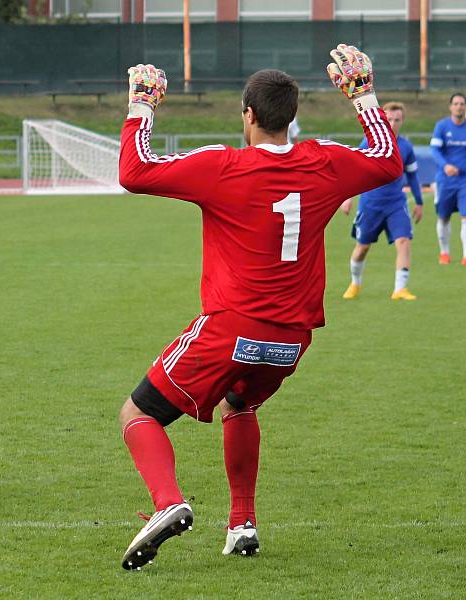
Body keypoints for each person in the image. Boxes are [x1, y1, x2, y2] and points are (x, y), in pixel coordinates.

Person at [116, 45, 402, 570]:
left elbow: (135, 172)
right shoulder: (325, 162)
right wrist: (363, 94)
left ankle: (168, 503)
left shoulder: (224, 166)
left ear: (247, 114)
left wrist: (143, 105)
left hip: (231, 329)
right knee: (239, 406)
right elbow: (387, 159)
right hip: (291, 338)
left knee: (138, 413)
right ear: (290, 117)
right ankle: (242, 524)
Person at [340, 101, 423, 300]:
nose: (393, 123)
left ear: (402, 121)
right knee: (362, 247)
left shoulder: (406, 147)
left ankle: (400, 289)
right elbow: (354, 172)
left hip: (396, 204)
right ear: (383, 119)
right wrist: (347, 197)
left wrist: (419, 202)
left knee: (403, 241)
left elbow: (412, 176)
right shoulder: (369, 143)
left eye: (397, 120)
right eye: (390, 119)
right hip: (371, 204)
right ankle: (355, 283)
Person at [431, 92, 466, 265]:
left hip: (464, 181)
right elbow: (435, 151)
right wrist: (445, 166)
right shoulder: (442, 127)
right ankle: (444, 253)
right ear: (450, 106)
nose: (459, 106)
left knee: (465, 217)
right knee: (443, 217)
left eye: (462, 103)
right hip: (445, 181)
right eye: (456, 103)